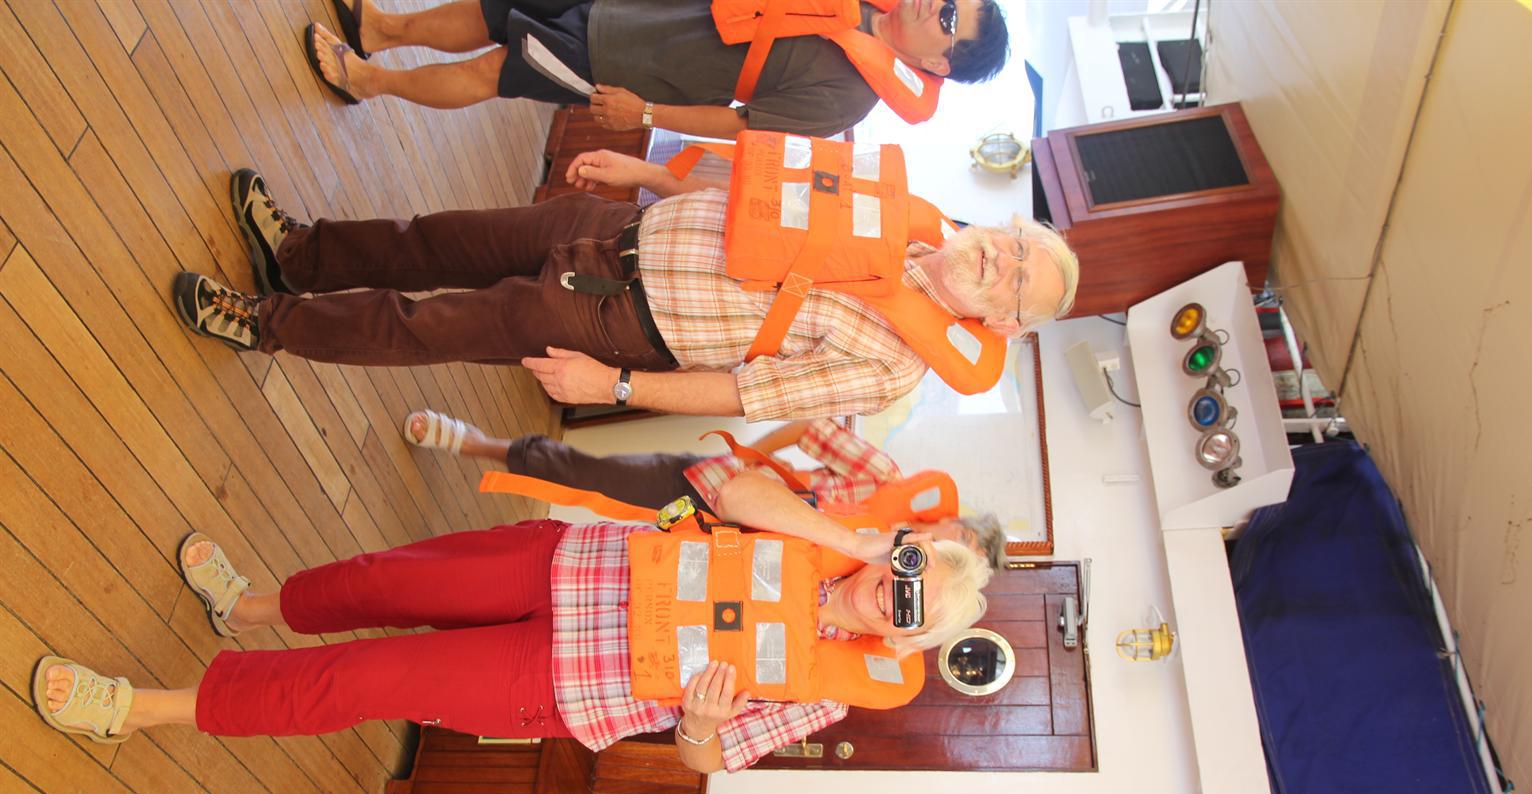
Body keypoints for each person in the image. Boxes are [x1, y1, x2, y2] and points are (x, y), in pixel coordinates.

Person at [30, 464, 990, 775]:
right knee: (383, 582)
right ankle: (249, 606)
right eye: (908, 566)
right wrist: (858, 540)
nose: (894, 588)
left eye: (913, 606)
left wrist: (700, 721)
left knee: (365, 679)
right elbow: (732, 486)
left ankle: (142, 709)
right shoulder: (829, 531)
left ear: (905, 638)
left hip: (568, 681)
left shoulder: (830, 694)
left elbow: (706, 761)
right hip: (566, 564)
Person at [177, 157, 1078, 421]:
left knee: (427, 324)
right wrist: (647, 174)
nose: (997, 262)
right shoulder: (902, 213)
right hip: (619, 225)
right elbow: (758, 193)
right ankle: (297, 254)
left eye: (1015, 282)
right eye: (1012, 245)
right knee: (436, 239)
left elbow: (742, 394)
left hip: (617, 317)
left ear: (1002, 324)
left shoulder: (894, 369)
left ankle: (264, 322)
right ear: (997, 226)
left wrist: (613, 385)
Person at [303, 0, 1009, 138]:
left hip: (633, 61)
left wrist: (643, 114)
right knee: (495, 8)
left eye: (949, 19)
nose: (934, 5)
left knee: (499, 70)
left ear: (937, 63)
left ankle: (369, 82)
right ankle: (380, 30)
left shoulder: (848, 98)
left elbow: (744, 127)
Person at [404, 410, 1009, 570]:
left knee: (593, 556)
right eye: (956, 540)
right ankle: (478, 444)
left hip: (719, 562)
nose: (942, 551)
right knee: (589, 476)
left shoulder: (888, 583)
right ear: (949, 521)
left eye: (956, 560)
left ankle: (462, 562)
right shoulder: (885, 479)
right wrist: (750, 460)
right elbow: (811, 430)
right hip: (709, 490)